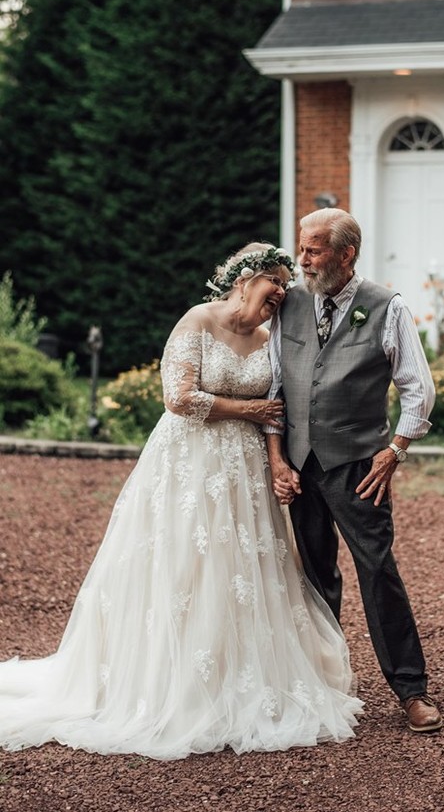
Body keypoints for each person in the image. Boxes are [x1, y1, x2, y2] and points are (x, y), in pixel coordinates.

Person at [0, 243, 363, 759]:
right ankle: (169, 682)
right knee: (185, 564)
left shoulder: (269, 337)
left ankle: (241, 675)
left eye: (286, 285)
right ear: (245, 280)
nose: (283, 292)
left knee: (242, 567)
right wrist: (250, 408)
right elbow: (179, 397)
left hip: (245, 470)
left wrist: (277, 457)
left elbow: (277, 409)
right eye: (275, 281)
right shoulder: (197, 320)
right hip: (188, 465)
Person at [266, 209, 442, 734]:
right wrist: (277, 459)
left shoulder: (387, 307)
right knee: (315, 576)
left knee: (377, 570)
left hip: (359, 465)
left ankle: (411, 690)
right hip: (299, 466)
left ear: (347, 255)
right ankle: (326, 684)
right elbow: (274, 387)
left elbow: (419, 388)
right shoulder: (288, 303)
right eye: (301, 248)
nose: (302, 260)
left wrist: (396, 450)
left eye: (314, 250)